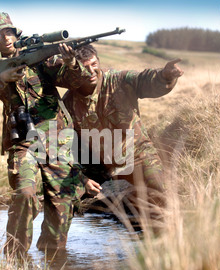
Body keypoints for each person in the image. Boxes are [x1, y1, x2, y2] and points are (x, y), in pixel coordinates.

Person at [0, 12, 93, 255]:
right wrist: (1, 80)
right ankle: (15, 256)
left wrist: (71, 62)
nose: (5, 39)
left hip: (57, 138)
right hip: (23, 141)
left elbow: (80, 81)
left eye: (8, 32)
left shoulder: (42, 60)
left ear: (15, 34)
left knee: (62, 202)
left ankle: (53, 257)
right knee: (25, 194)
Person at [63, 44, 184, 230]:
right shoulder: (69, 101)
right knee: (62, 194)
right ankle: (57, 250)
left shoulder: (119, 80)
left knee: (159, 194)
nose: (91, 71)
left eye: (94, 64)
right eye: (84, 67)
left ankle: (163, 244)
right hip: (99, 165)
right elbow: (67, 147)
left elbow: (145, 80)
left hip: (137, 156)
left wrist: (165, 75)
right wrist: (82, 179)